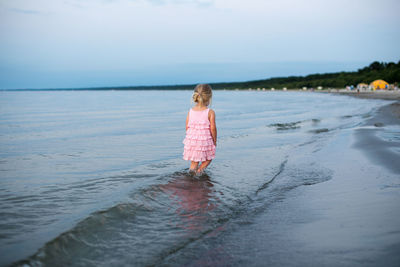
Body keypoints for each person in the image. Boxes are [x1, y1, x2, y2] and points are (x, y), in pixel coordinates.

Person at [183, 84, 217, 174]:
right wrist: (215, 140)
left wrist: (191, 139)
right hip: (205, 141)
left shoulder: (190, 111)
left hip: (192, 141)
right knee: (209, 158)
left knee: (194, 162)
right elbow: (213, 128)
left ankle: (191, 176)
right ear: (209, 97)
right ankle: (199, 172)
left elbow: (187, 126)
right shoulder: (210, 112)